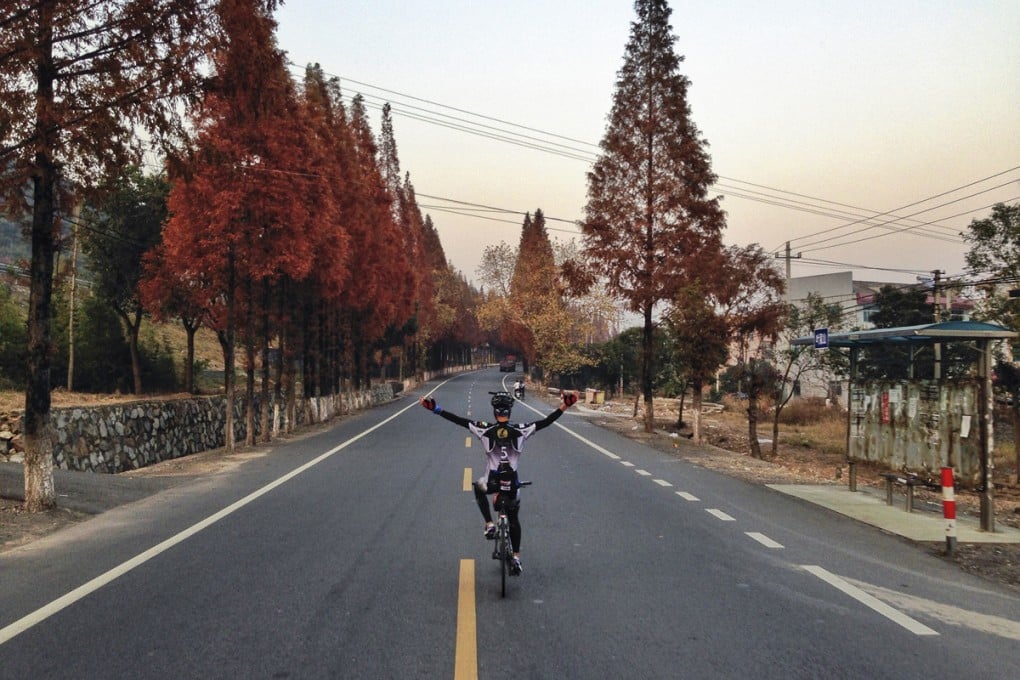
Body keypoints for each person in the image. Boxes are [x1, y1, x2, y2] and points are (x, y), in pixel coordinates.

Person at [420, 389, 578, 575]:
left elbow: (459, 420)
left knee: (478, 487)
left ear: (495, 413)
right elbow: (547, 421)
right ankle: (516, 558)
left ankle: (489, 524)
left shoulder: (484, 429)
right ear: (509, 413)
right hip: (512, 485)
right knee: (514, 519)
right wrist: (565, 405)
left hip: (492, 482)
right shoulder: (521, 430)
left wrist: (435, 409)